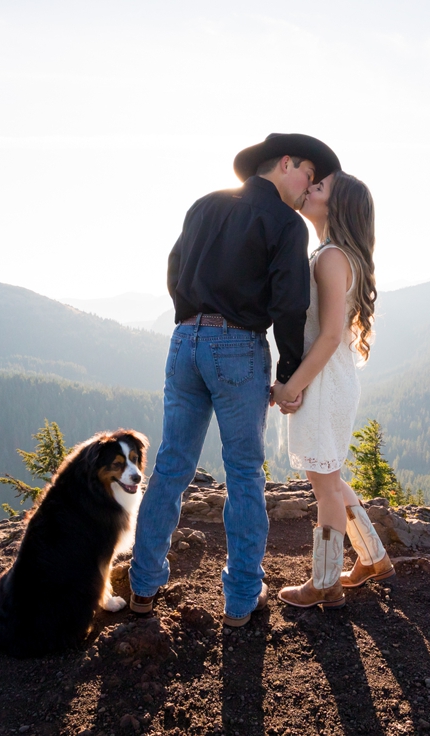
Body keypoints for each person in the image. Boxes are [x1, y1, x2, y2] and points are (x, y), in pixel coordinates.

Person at [129, 133, 341, 627]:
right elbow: (290, 303)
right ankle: (242, 600)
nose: (305, 189)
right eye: (307, 176)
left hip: (184, 341)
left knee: (173, 464)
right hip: (238, 347)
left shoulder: (204, 205)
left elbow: (174, 268)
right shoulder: (285, 224)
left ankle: (143, 585)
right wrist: (290, 372)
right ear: (286, 164)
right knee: (243, 470)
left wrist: (192, 315)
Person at [275, 170, 391, 609]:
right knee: (330, 477)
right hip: (332, 379)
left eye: (318, 188)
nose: (309, 191)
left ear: (336, 207)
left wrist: (290, 388)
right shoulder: (335, 255)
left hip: (323, 382)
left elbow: (326, 337)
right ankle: (373, 557)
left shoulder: (329, 258)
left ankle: (324, 582)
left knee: (323, 487)